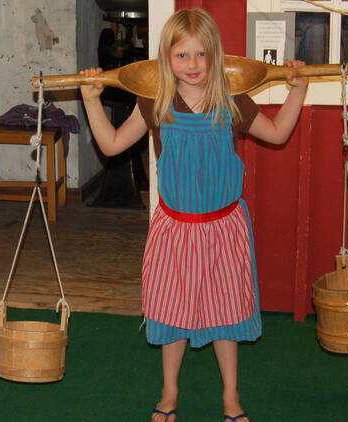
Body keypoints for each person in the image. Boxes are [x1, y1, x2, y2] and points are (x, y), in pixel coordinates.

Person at [79, 8, 308, 422]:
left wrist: (298, 91)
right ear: (166, 59)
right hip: (175, 230)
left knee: (225, 314)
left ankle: (231, 395)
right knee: (172, 312)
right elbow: (111, 145)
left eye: (201, 54)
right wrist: (91, 101)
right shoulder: (155, 103)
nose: (192, 65)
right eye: (181, 55)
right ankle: (169, 391)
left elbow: (277, 134)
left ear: (215, 56)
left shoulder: (232, 98)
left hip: (223, 228)